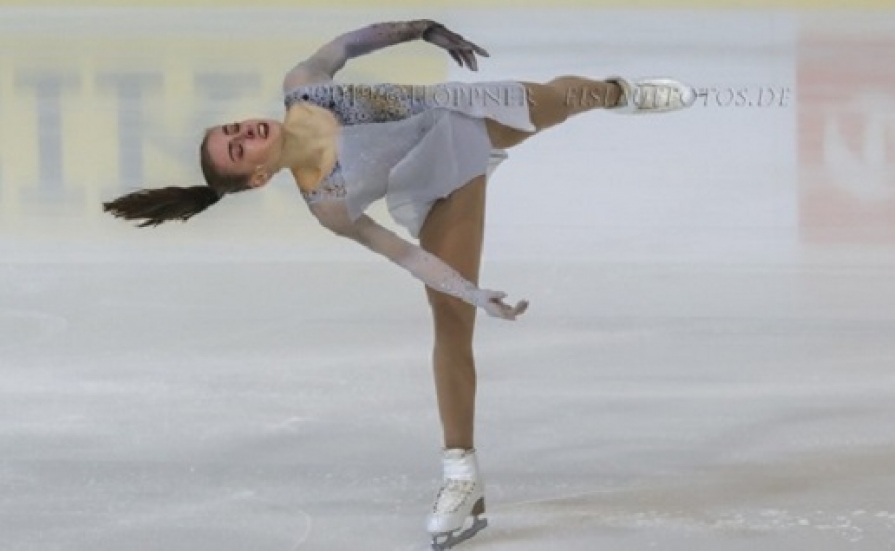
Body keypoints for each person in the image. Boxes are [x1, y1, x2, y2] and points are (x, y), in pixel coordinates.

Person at [103, 19, 695, 550]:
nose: (247, 131)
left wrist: (420, 28)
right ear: (258, 178)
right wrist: (472, 293)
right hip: (440, 188)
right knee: (450, 322)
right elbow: (406, 256)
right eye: (239, 147)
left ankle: (620, 92)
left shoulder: (303, 86)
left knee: (563, 99)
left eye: (235, 127)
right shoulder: (329, 203)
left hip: (465, 114)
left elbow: (346, 44)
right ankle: (461, 476)